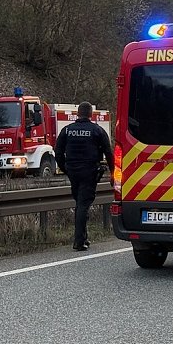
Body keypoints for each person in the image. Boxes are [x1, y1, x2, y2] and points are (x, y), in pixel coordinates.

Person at [54, 102, 114, 250]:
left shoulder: (67, 130)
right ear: (91, 114)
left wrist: (65, 168)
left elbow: (58, 152)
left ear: (77, 114)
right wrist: (114, 173)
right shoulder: (97, 131)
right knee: (83, 204)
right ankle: (79, 241)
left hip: (73, 171)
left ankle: (83, 237)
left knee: (80, 203)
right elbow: (109, 153)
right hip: (89, 171)